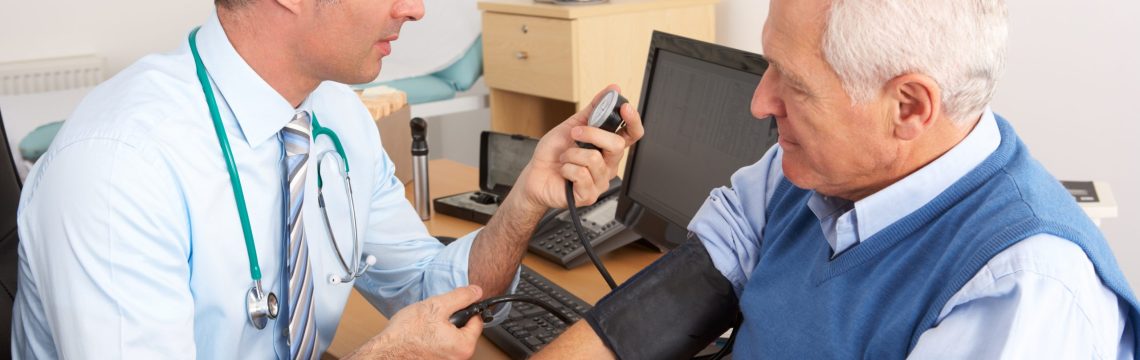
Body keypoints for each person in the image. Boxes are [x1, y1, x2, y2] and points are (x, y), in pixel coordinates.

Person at [10, 0, 643, 358]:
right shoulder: (120, 168)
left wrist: (526, 201)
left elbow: (432, 290)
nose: (415, 9)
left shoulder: (333, 115)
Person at [536, 0, 1139, 358]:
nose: (760, 102)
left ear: (908, 107)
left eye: (793, 83)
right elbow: (649, 317)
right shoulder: (803, 170)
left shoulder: (1023, 293)